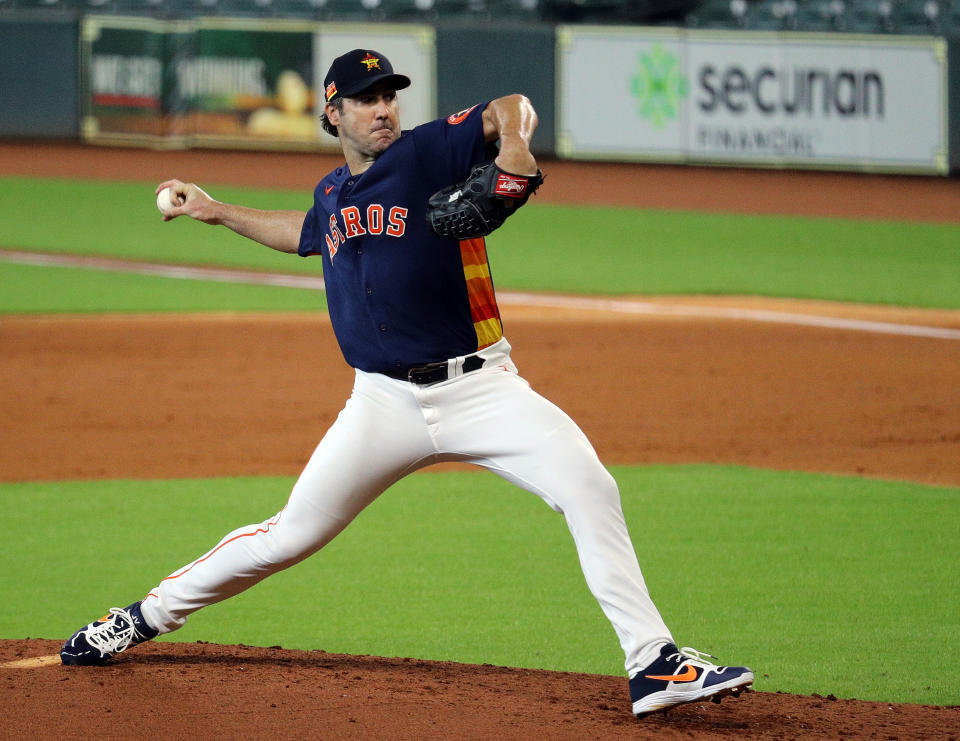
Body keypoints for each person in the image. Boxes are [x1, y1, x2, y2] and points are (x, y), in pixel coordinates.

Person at [59, 48, 754, 718]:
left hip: (482, 389)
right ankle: (139, 616)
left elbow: (513, 106)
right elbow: (307, 230)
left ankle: (652, 661)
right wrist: (216, 210)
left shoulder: (427, 152)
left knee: (588, 486)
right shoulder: (332, 192)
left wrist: (513, 149)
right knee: (287, 534)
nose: (383, 109)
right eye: (366, 99)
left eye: (389, 94)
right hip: (382, 404)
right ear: (332, 114)